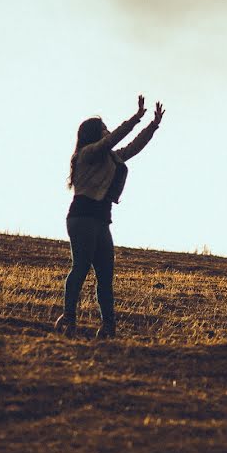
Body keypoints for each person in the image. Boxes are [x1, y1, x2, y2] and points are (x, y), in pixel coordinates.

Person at [54, 95, 165, 338]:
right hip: (82, 217)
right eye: (104, 128)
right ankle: (69, 318)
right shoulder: (87, 153)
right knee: (81, 267)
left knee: (105, 276)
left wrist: (153, 125)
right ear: (94, 133)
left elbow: (133, 147)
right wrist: (135, 118)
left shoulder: (111, 157)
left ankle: (108, 327)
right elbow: (114, 139)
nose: (107, 131)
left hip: (102, 219)